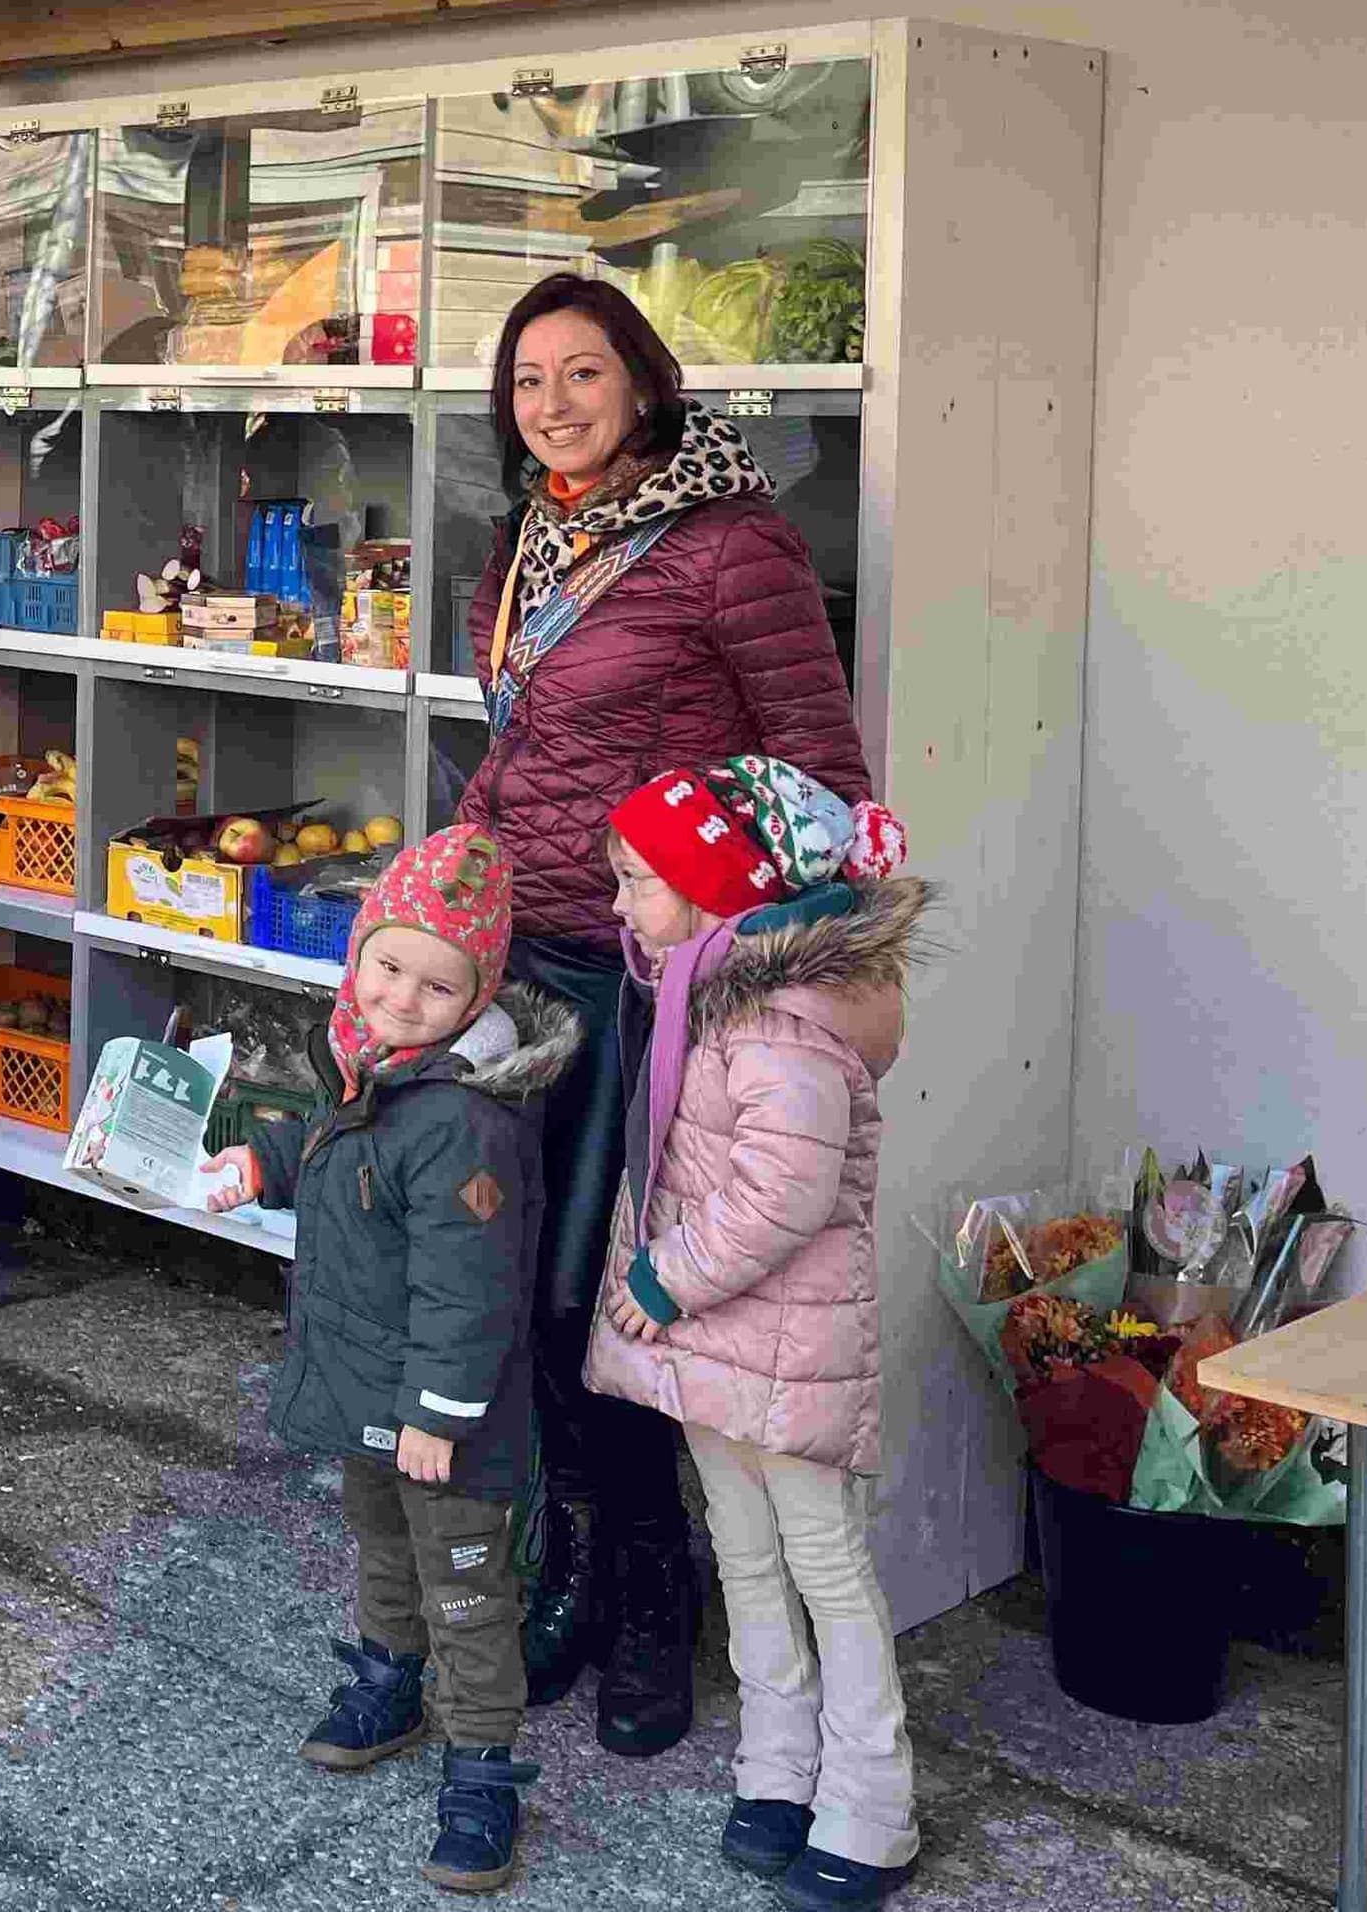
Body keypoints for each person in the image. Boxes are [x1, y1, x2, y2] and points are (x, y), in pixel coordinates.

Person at [452, 270, 872, 1755]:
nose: (554, 403)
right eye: (527, 382)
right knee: (515, 1293)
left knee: (608, 1301)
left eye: (581, 374)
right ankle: (574, 1567)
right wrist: (446, 894)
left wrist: (792, 974)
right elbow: (519, 753)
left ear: (642, 379)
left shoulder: (727, 544)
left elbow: (823, 769)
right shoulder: (535, 542)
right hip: (529, 959)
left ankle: (652, 1605)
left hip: (657, 980)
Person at [197, 828, 576, 1897]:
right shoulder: (374, 1069)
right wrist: (261, 1161)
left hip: (442, 1414)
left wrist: (443, 1413)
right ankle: (389, 1684)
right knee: (380, 1546)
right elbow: (339, 1150)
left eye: (436, 983)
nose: (402, 997)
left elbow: (472, 1287)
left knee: (464, 1582)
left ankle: (482, 1767)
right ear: (360, 953)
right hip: (373, 1387)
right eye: (388, 966)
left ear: (477, 996)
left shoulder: (462, 1117)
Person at [588, 758, 926, 1908]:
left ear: (709, 885)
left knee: (824, 1563)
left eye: (636, 881)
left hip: (779, 1339)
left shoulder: (779, 1020)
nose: (619, 905)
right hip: (720, 1347)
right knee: (742, 1554)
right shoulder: (700, 990)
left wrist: (663, 1282)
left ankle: (871, 1802)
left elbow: (782, 1192)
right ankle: (778, 1768)